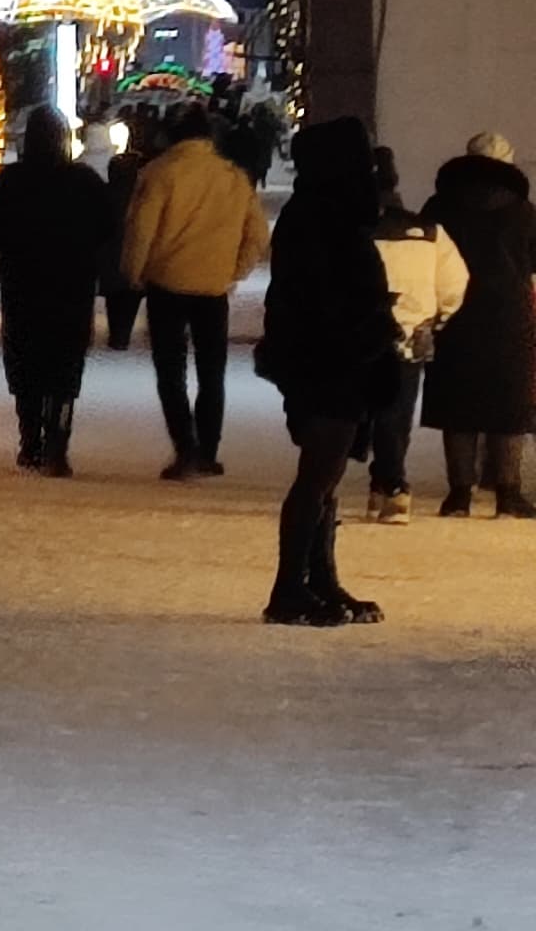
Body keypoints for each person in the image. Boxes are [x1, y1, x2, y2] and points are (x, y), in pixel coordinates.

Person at [251, 119, 401, 624]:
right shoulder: (322, 215)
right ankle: (292, 585)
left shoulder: (324, 211)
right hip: (328, 359)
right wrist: (367, 327)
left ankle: (318, 579)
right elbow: (317, 296)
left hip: (331, 357)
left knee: (326, 475)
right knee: (318, 473)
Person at [118, 106, 267, 481]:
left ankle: (185, 448)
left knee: (171, 371)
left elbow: (141, 229)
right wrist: (234, 270)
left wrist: (133, 272)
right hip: (212, 287)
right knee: (211, 371)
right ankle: (209, 451)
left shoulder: (160, 173)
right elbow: (258, 234)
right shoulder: (233, 176)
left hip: (166, 283)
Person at [0, 110, 114, 476]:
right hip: (71, 285)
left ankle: (30, 440)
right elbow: (107, 225)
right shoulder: (83, 181)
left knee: (26, 364)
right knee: (65, 366)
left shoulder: (11, 181)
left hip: (23, 284)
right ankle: (58, 442)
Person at [421, 131, 536, 518]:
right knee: (510, 405)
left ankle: (459, 493)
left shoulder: (439, 206)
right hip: (509, 313)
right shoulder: (522, 210)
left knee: (459, 403)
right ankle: (508, 492)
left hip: (454, 312)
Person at [363, 150, 469, 525]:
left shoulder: (344, 229)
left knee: (353, 413)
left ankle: (381, 484)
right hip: (410, 334)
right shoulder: (429, 231)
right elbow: (456, 282)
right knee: (395, 413)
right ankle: (389, 485)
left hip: (357, 333)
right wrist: (436, 318)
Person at [99, 116, 154, 352]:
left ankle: (118, 335)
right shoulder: (146, 199)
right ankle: (123, 333)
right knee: (130, 296)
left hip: (111, 260)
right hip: (136, 260)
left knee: (115, 298)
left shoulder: (104, 196)